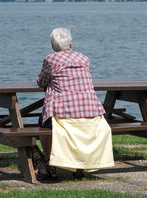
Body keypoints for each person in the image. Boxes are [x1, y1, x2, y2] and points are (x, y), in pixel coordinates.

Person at [36, 28, 114, 179]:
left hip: (64, 117)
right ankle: (78, 165)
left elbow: (41, 81)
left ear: (53, 46)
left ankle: (48, 162)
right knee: (63, 123)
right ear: (71, 44)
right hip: (92, 115)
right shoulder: (84, 59)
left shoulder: (50, 59)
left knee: (43, 122)